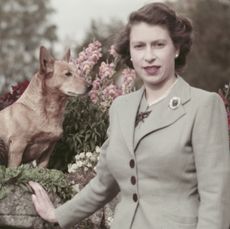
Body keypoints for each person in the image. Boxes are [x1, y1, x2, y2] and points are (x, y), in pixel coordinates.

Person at [29, 2, 230, 229]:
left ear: (176, 49)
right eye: (140, 46)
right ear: (130, 54)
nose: (149, 56)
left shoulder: (204, 106)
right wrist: (58, 214)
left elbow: (216, 198)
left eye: (159, 44)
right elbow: (104, 183)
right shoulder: (120, 108)